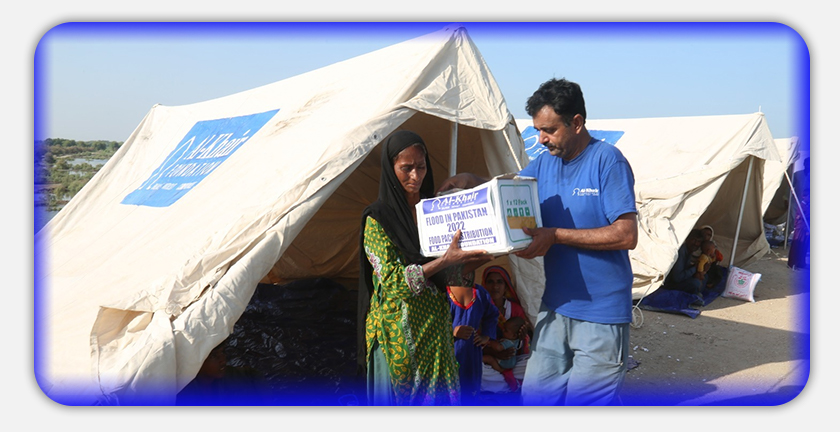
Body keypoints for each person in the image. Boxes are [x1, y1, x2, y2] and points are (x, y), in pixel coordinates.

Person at [438, 78, 638, 406]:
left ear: (577, 123)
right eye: (538, 130)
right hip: (556, 307)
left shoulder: (607, 161)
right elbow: (512, 192)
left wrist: (556, 235)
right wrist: (474, 182)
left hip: (601, 315)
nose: (541, 139)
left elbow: (626, 234)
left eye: (549, 130)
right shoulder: (546, 163)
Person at [358, 130, 494, 406]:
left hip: (435, 330)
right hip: (398, 335)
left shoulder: (433, 212)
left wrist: (479, 258)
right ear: (391, 168)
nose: (415, 176)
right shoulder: (377, 220)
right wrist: (445, 260)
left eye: (421, 167)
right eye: (406, 168)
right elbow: (395, 282)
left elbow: (445, 277)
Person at [448, 280, 498, 404]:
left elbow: (492, 315)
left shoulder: (480, 293)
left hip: (472, 353)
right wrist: (452, 331)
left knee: (470, 390)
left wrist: (486, 336)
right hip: (448, 353)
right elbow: (431, 321)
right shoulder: (443, 292)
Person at [176, 339, 271, 405]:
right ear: (197, 361)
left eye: (222, 352)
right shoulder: (182, 390)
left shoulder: (234, 376)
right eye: (214, 356)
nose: (223, 360)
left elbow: (254, 375)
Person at [662, 229, 706, 307]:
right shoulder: (681, 251)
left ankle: (695, 295)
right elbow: (677, 277)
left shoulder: (689, 251)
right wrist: (694, 268)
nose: (696, 243)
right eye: (694, 240)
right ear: (687, 239)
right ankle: (693, 296)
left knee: (704, 277)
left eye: (698, 241)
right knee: (696, 283)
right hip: (669, 284)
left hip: (679, 279)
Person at [482, 316, 526, 392]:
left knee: (531, 363)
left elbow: (498, 348)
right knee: (476, 367)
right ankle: (508, 382)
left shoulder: (508, 341)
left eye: (505, 330)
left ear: (514, 336)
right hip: (499, 366)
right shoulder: (510, 337)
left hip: (503, 365)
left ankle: (501, 381)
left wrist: (490, 342)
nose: (503, 330)